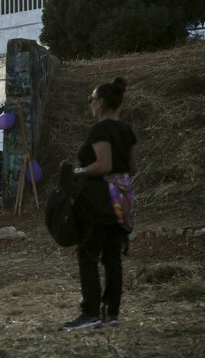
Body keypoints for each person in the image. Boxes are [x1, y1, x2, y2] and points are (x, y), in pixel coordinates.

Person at [62, 77, 137, 330]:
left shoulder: (100, 129)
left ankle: (91, 312)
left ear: (101, 102)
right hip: (122, 197)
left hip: (100, 199)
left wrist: (78, 173)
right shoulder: (126, 130)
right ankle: (111, 313)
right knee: (112, 257)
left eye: (91, 100)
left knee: (88, 253)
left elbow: (103, 165)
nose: (90, 104)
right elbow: (131, 167)